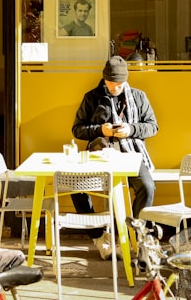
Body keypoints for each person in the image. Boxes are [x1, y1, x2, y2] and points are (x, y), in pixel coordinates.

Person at [71, 55, 158, 259]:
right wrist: (100, 129)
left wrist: (130, 129)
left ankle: (139, 233)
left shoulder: (138, 97)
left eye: (120, 84)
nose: (116, 88)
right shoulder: (92, 97)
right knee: (75, 186)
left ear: (126, 80)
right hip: (99, 155)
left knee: (147, 187)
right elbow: (77, 129)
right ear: (104, 79)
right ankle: (99, 237)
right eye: (112, 83)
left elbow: (153, 126)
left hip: (131, 154)